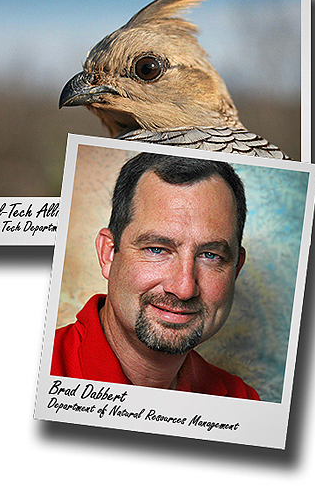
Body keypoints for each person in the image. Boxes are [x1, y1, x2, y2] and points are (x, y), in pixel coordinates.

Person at [51, 152, 259, 400]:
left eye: (210, 255)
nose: (184, 288)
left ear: (236, 269)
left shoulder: (242, 401)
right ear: (108, 253)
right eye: (157, 249)